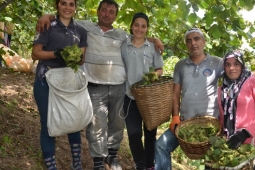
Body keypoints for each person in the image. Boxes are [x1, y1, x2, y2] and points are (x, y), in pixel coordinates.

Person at [36, 0, 164, 169]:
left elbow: (139, 36)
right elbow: (65, 16)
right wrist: (47, 16)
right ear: (97, 11)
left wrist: (155, 39)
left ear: (116, 16)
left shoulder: (121, 35)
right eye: (104, 10)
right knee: (95, 125)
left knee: (117, 124)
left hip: (119, 87)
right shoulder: (84, 27)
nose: (107, 14)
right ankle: (98, 161)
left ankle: (112, 156)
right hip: (94, 86)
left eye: (111, 12)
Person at [154, 28, 255, 170]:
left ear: (204, 42)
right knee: (161, 145)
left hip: (215, 126)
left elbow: (242, 73)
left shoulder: (217, 63)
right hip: (187, 123)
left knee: (213, 162)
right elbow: (175, 93)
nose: (193, 43)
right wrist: (175, 117)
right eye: (189, 40)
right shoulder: (183, 67)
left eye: (197, 39)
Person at [31, 0, 87, 170]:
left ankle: (76, 163)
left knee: (73, 120)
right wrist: (56, 54)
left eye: (71, 4)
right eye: (63, 3)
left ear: (76, 7)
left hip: (68, 81)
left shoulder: (80, 31)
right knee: (47, 124)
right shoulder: (47, 25)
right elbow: (35, 53)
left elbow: (82, 58)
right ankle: (51, 165)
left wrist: (74, 57)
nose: (67, 7)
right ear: (57, 5)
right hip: (45, 80)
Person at [218, 50, 255, 169]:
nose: (232, 68)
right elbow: (222, 119)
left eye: (236, 64)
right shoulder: (221, 90)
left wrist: (246, 132)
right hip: (233, 148)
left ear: (242, 65)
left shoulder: (254, 83)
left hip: (254, 146)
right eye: (228, 65)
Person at [121, 12, 164, 170]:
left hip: (149, 98)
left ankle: (149, 166)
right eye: (136, 25)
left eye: (143, 26)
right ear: (131, 26)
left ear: (147, 29)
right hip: (130, 97)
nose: (139, 29)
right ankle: (141, 164)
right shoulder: (124, 45)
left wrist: (154, 74)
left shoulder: (153, 46)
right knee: (133, 134)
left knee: (150, 134)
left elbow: (160, 69)